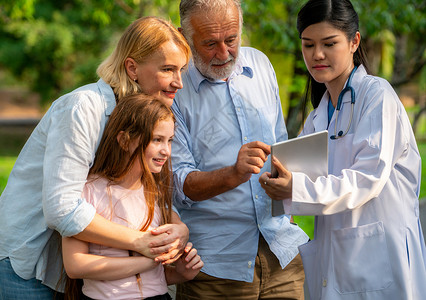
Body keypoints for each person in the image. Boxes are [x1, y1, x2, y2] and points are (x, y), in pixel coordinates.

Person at [0, 16, 191, 299]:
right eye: (168, 69)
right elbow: (62, 209)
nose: (179, 82)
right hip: (26, 260)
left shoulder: (143, 119)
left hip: (74, 267)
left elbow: (146, 192)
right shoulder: (82, 108)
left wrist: (180, 230)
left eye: (181, 71)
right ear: (132, 68)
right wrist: (143, 243)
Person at [260, 0, 426, 299]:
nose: (317, 55)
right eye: (308, 45)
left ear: (354, 41)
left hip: (379, 255)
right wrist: (277, 187)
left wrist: (293, 189)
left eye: (329, 43)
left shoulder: (377, 96)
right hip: (335, 259)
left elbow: (366, 180)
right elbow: (297, 185)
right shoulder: (319, 116)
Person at [171, 0, 309, 299]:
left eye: (231, 39)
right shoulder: (174, 88)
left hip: (281, 252)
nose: (224, 53)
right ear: (184, 37)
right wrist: (234, 173)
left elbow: (280, 144)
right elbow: (178, 184)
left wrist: (288, 204)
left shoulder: (260, 65)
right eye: (210, 43)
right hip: (215, 267)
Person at [62, 93, 204, 300]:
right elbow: (75, 265)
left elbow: (156, 276)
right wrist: (151, 260)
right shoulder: (89, 190)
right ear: (124, 140)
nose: (166, 151)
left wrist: (181, 272)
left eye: (169, 140)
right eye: (157, 139)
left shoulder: (157, 192)